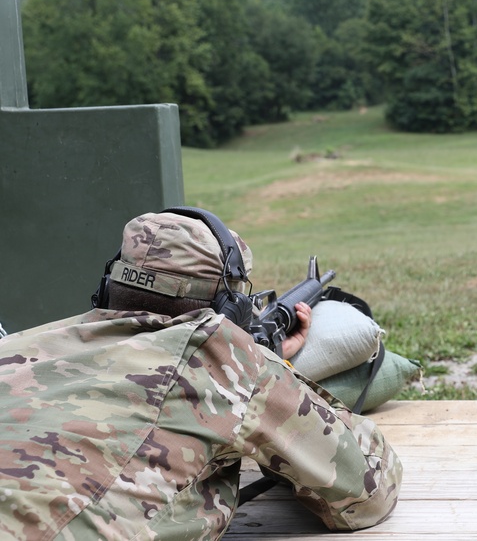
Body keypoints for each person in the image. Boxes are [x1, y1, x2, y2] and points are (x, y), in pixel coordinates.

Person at [0, 209, 402, 540]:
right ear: (229, 308)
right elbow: (365, 492)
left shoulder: (19, 345)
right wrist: (265, 367)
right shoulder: (226, 360)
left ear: (109, 284)